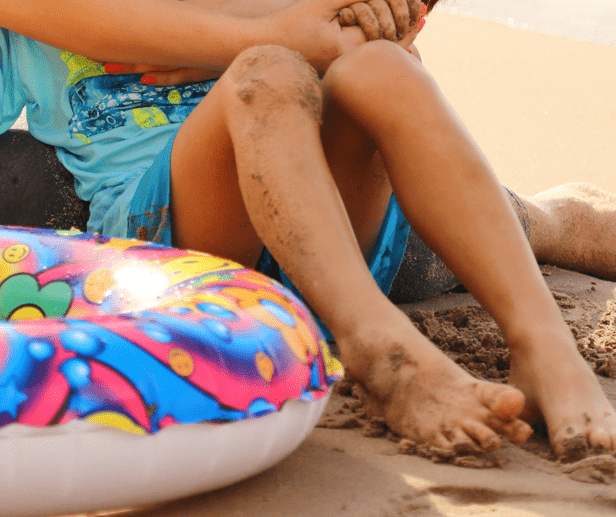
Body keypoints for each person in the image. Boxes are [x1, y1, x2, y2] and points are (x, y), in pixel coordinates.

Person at [1, 0, 615, 461]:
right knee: (264, 72)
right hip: (188, 236)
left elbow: (366, 24)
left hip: (344, 212)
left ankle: (545, 348)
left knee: (383, 66)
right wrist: (253, 34)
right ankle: (381, 349)